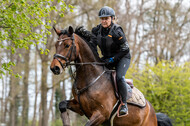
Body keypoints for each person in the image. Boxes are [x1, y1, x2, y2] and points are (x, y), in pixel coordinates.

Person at [91, 6, 131, 116]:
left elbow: (125, 49)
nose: (104, 21)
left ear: (112, 18)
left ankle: (124, 104)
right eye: (102, 19)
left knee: (119, 77)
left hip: (122, 57)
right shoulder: (96, 30)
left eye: (106, 18)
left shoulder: (117, 31)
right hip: (107, 58)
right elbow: (92, 46)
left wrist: (113, 59)